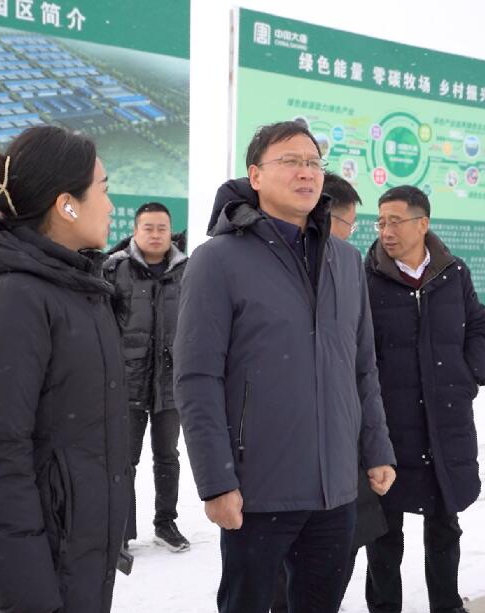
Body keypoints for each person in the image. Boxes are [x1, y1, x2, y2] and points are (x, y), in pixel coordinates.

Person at [175, 120, 397, 613]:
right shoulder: (218, 260)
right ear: (255, 175)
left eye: (313, 163)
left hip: (336, 491)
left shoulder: (345, 260)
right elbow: (197, 379)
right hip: (258, 491)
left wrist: (377, 448)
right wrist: (216, 481)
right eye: (290, 161)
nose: (306, 172)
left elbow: (362, 367)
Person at [0, 125, 130, 612]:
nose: (111, 205)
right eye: (103, 190)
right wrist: (30, 600)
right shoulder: (10, 298)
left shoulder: (77, 288)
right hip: (31, 577)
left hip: (73, 558)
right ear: (66, 204)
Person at [364, 185, 485, 613]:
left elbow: (478, 326)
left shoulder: (452, 272)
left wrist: (466, 378)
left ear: (423, 224)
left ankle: (447, 604)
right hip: (389, 423)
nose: (386, 231)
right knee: (384, 531)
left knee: (444, 525)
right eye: (381, 222)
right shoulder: (367, 278)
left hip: (445, 421)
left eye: (395, 221)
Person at [270, 171, 384, 613]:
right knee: (281, 579)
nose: (350, 235)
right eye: (349, 223)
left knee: (327, 577)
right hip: (283, 467)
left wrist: (376, 449)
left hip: (345, 457)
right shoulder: (263, 271)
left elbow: (363, 366)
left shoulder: (350, 268)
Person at [105, 202, 190, 555]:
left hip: (170, 382)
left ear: (171, 232)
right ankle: (121, 531)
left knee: (167, 455)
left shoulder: (187, 271)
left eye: (162, 228)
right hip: (127, 380)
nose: (155, 235)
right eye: (148, 228)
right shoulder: (114, 269)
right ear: (135, 231)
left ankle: (165, 523)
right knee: (124, 459)